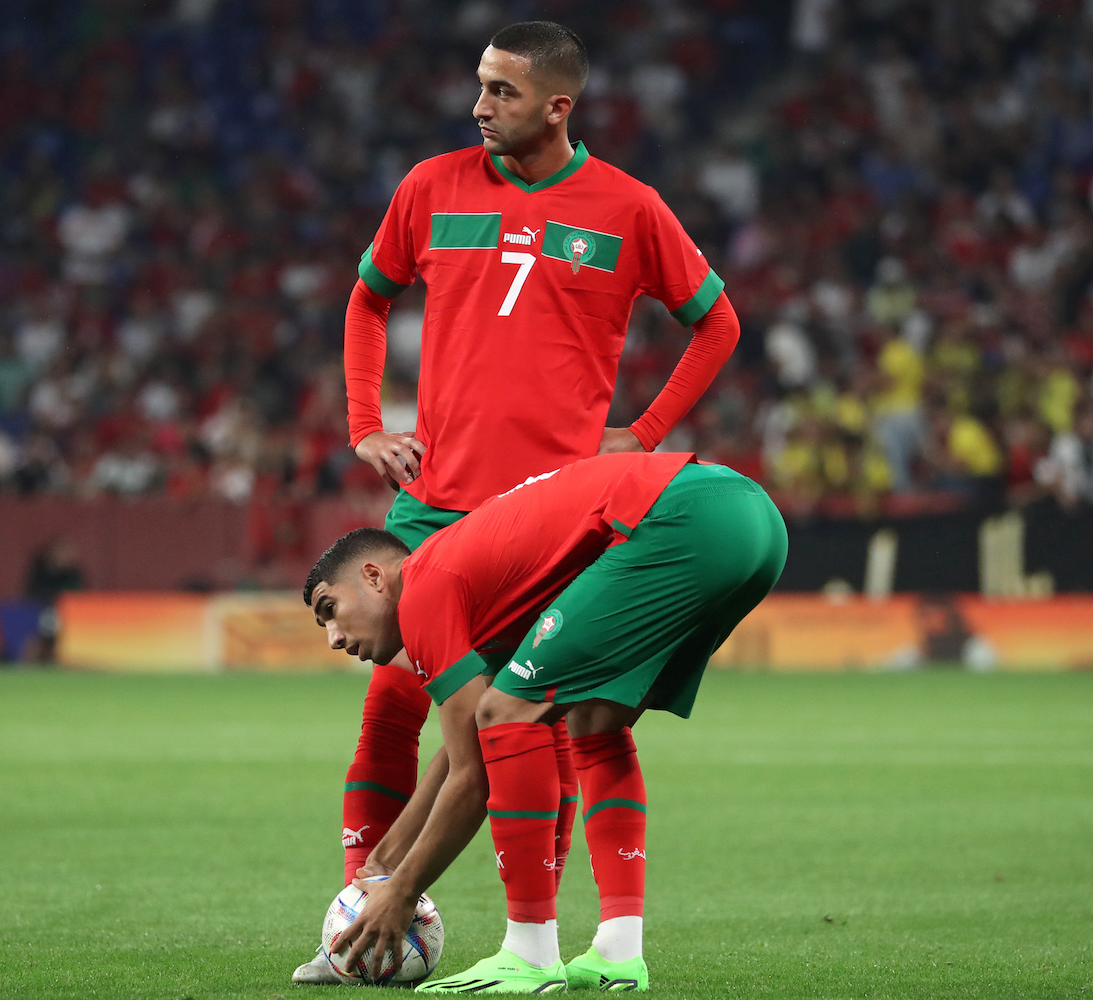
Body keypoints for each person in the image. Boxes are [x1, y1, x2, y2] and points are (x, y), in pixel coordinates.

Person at [295, 19, 742, 984]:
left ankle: (552, 940)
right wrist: (366, 421)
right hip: (436, 501)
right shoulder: (429, 186)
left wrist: (645, 431)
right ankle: (357, 916)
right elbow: (368, 298)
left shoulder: (629, 207)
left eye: (501, 90)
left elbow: (717, 322)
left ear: (557, 104)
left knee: (570, 721)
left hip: (554, 510)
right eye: (481, 86)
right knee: (390, 705)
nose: (479, 105)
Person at [306, 452, 787, 993]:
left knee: (509, 712)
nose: (335, 639)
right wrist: (384, 860)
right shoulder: (476, 584)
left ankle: (530, 952)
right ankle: (619, 951)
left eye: (330, 610)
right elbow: (467, 749)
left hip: (681, 516)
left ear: (374, 576)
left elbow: (476, 770)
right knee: (595, 719)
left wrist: (404, 890)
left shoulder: (424, 585)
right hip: (755, 521)